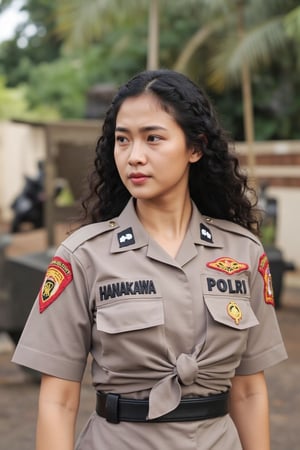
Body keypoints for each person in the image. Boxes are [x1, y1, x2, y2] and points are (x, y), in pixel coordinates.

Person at [12, 69, 287, 450]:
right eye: (122, 140)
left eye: (153, 138)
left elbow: (248, 392)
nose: (134, 156)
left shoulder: (242, 253)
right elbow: (58, 400)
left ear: (195, 147)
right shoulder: (83, 256)